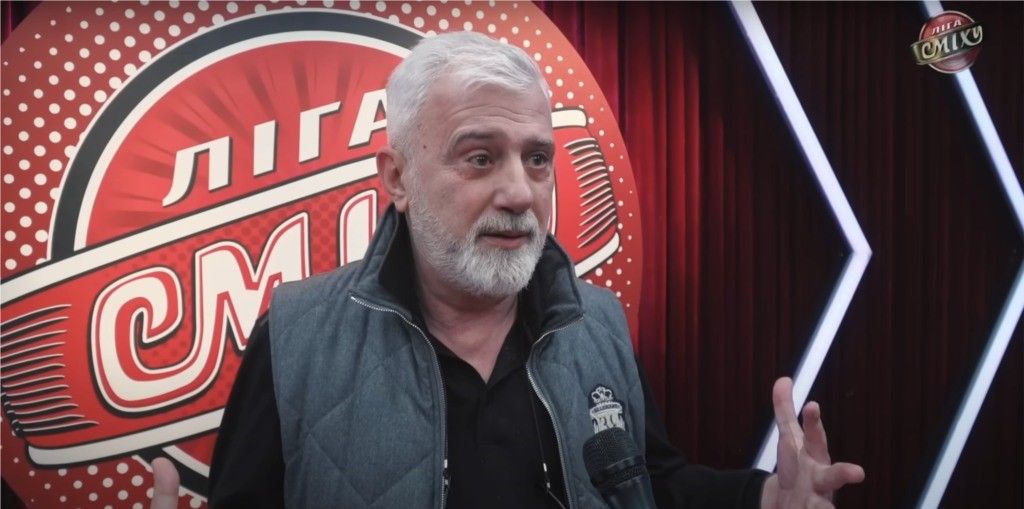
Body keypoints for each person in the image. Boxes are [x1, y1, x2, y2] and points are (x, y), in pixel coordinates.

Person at [150, 32, 863, 508]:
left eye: (537, 158)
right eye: (480, 157)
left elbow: (650, 484)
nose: (521, 192)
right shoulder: (296, 337)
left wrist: (762, 497)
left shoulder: (597, 323)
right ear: (397, 177)